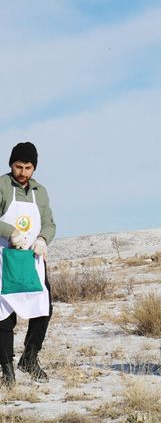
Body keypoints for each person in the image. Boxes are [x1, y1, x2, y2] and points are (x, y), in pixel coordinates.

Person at [0, 142, 56, 386]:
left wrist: (44, 239)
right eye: (18, 166)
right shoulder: (1, 186)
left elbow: (49, 223)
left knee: (44, 307)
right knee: (4, 314)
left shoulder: (40, 192)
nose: (22, 172)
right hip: (5, 258)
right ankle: (6, 367)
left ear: (34, 167)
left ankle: (30, 357)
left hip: (32, 259)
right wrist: (10, 232)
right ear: (11, 164)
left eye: (28, 167)